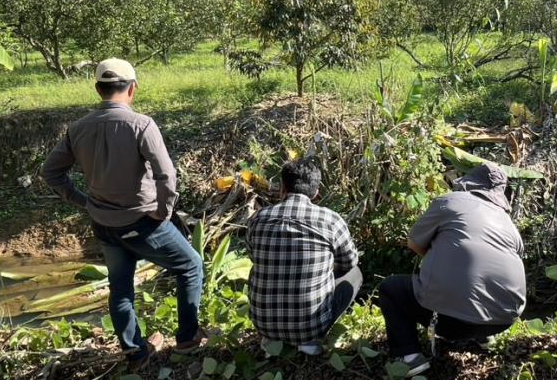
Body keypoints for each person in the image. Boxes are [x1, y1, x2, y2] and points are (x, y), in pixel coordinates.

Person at [41, 58, 206, 364]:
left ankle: (134, 349)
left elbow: (51, 173)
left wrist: (83, 201)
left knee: (120, 287)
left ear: (98, 89)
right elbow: (166, 176)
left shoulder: (77, 128)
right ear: (133, 89)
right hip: (143, 221)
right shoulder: (141, 124)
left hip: (104, 225)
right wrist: (163, 210)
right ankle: (187, 339)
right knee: (190, 265)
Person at [377, 162, 526, 376]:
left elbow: (413, 243)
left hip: (453, 321)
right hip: (503, 321)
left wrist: (440, 262)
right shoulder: (509, 224)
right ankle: (485, 338)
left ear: (470, 183)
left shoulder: (451, 200)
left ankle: (408, 357)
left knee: (391, 289)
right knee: (476, 279)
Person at [246, 159, 361, 355]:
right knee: (355, 274)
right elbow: (349, 262)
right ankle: (310, 341)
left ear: (282, 188)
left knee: (258, 267)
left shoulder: (257, 218)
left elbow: (252, 255)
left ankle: (272, 339)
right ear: (316, 192)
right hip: (312, 326)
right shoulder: (331, 220)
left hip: (262, 323)